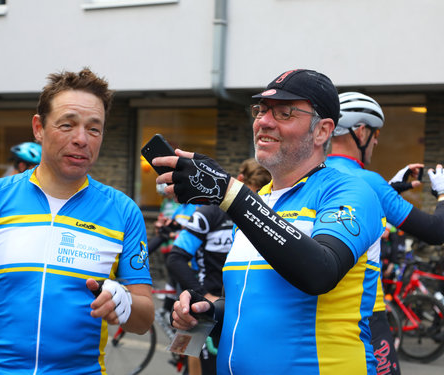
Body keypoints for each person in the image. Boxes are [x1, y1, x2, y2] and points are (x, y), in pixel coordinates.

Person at [154, 69, 385, 374]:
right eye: (261, 110)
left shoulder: (350, 191)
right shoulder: (257, 201)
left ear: (322, 131)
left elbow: (320, 273)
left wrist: (231, 194)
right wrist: (208, 311)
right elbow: (254, 305)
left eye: (284, 113)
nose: (263, 121)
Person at [0, 68, 154, 374]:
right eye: (67, 125)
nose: (81, 139)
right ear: (39, 128)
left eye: (94, 129)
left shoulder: (123, 211)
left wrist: (124, 302)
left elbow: (144, 320)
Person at [326, 91, 444, 375]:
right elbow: (435, 231)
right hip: (365, 315)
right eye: (376, 134)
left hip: (320, 319)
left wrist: (392, 187)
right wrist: (442, 193)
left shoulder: (310, 174)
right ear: (361, 131)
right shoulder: (369, 181)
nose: (377, 141)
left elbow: (351, 210)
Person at [166, 158, 271, 375]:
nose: (253, 202)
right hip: (208, 307)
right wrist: (204, 295)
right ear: (239, 181)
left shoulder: (264, 216)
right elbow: (176, 257)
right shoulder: (209, 214)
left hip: (245, 311)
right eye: (250, 194)